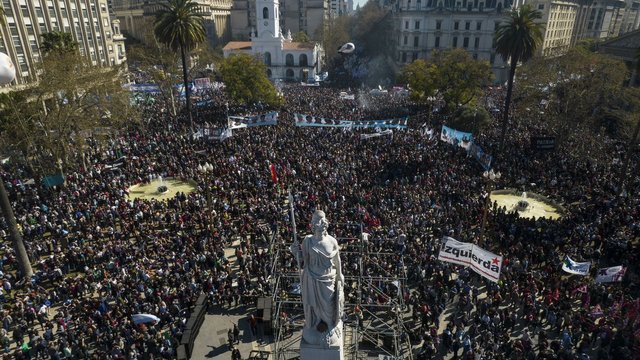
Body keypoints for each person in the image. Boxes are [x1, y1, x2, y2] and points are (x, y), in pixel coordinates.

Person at [290, 210, 344, 346]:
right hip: (311, 279)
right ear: (313, 224)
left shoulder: (332, 241)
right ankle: (314, 325)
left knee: (329, 306)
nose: (322, 224)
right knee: (313, 308)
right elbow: (303, 259)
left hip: (328, 280)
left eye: (323, 221)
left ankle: (330, 325)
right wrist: (295, 252)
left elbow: (337, 261)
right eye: (318, 221)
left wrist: (340, 275)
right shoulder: (307, 241)